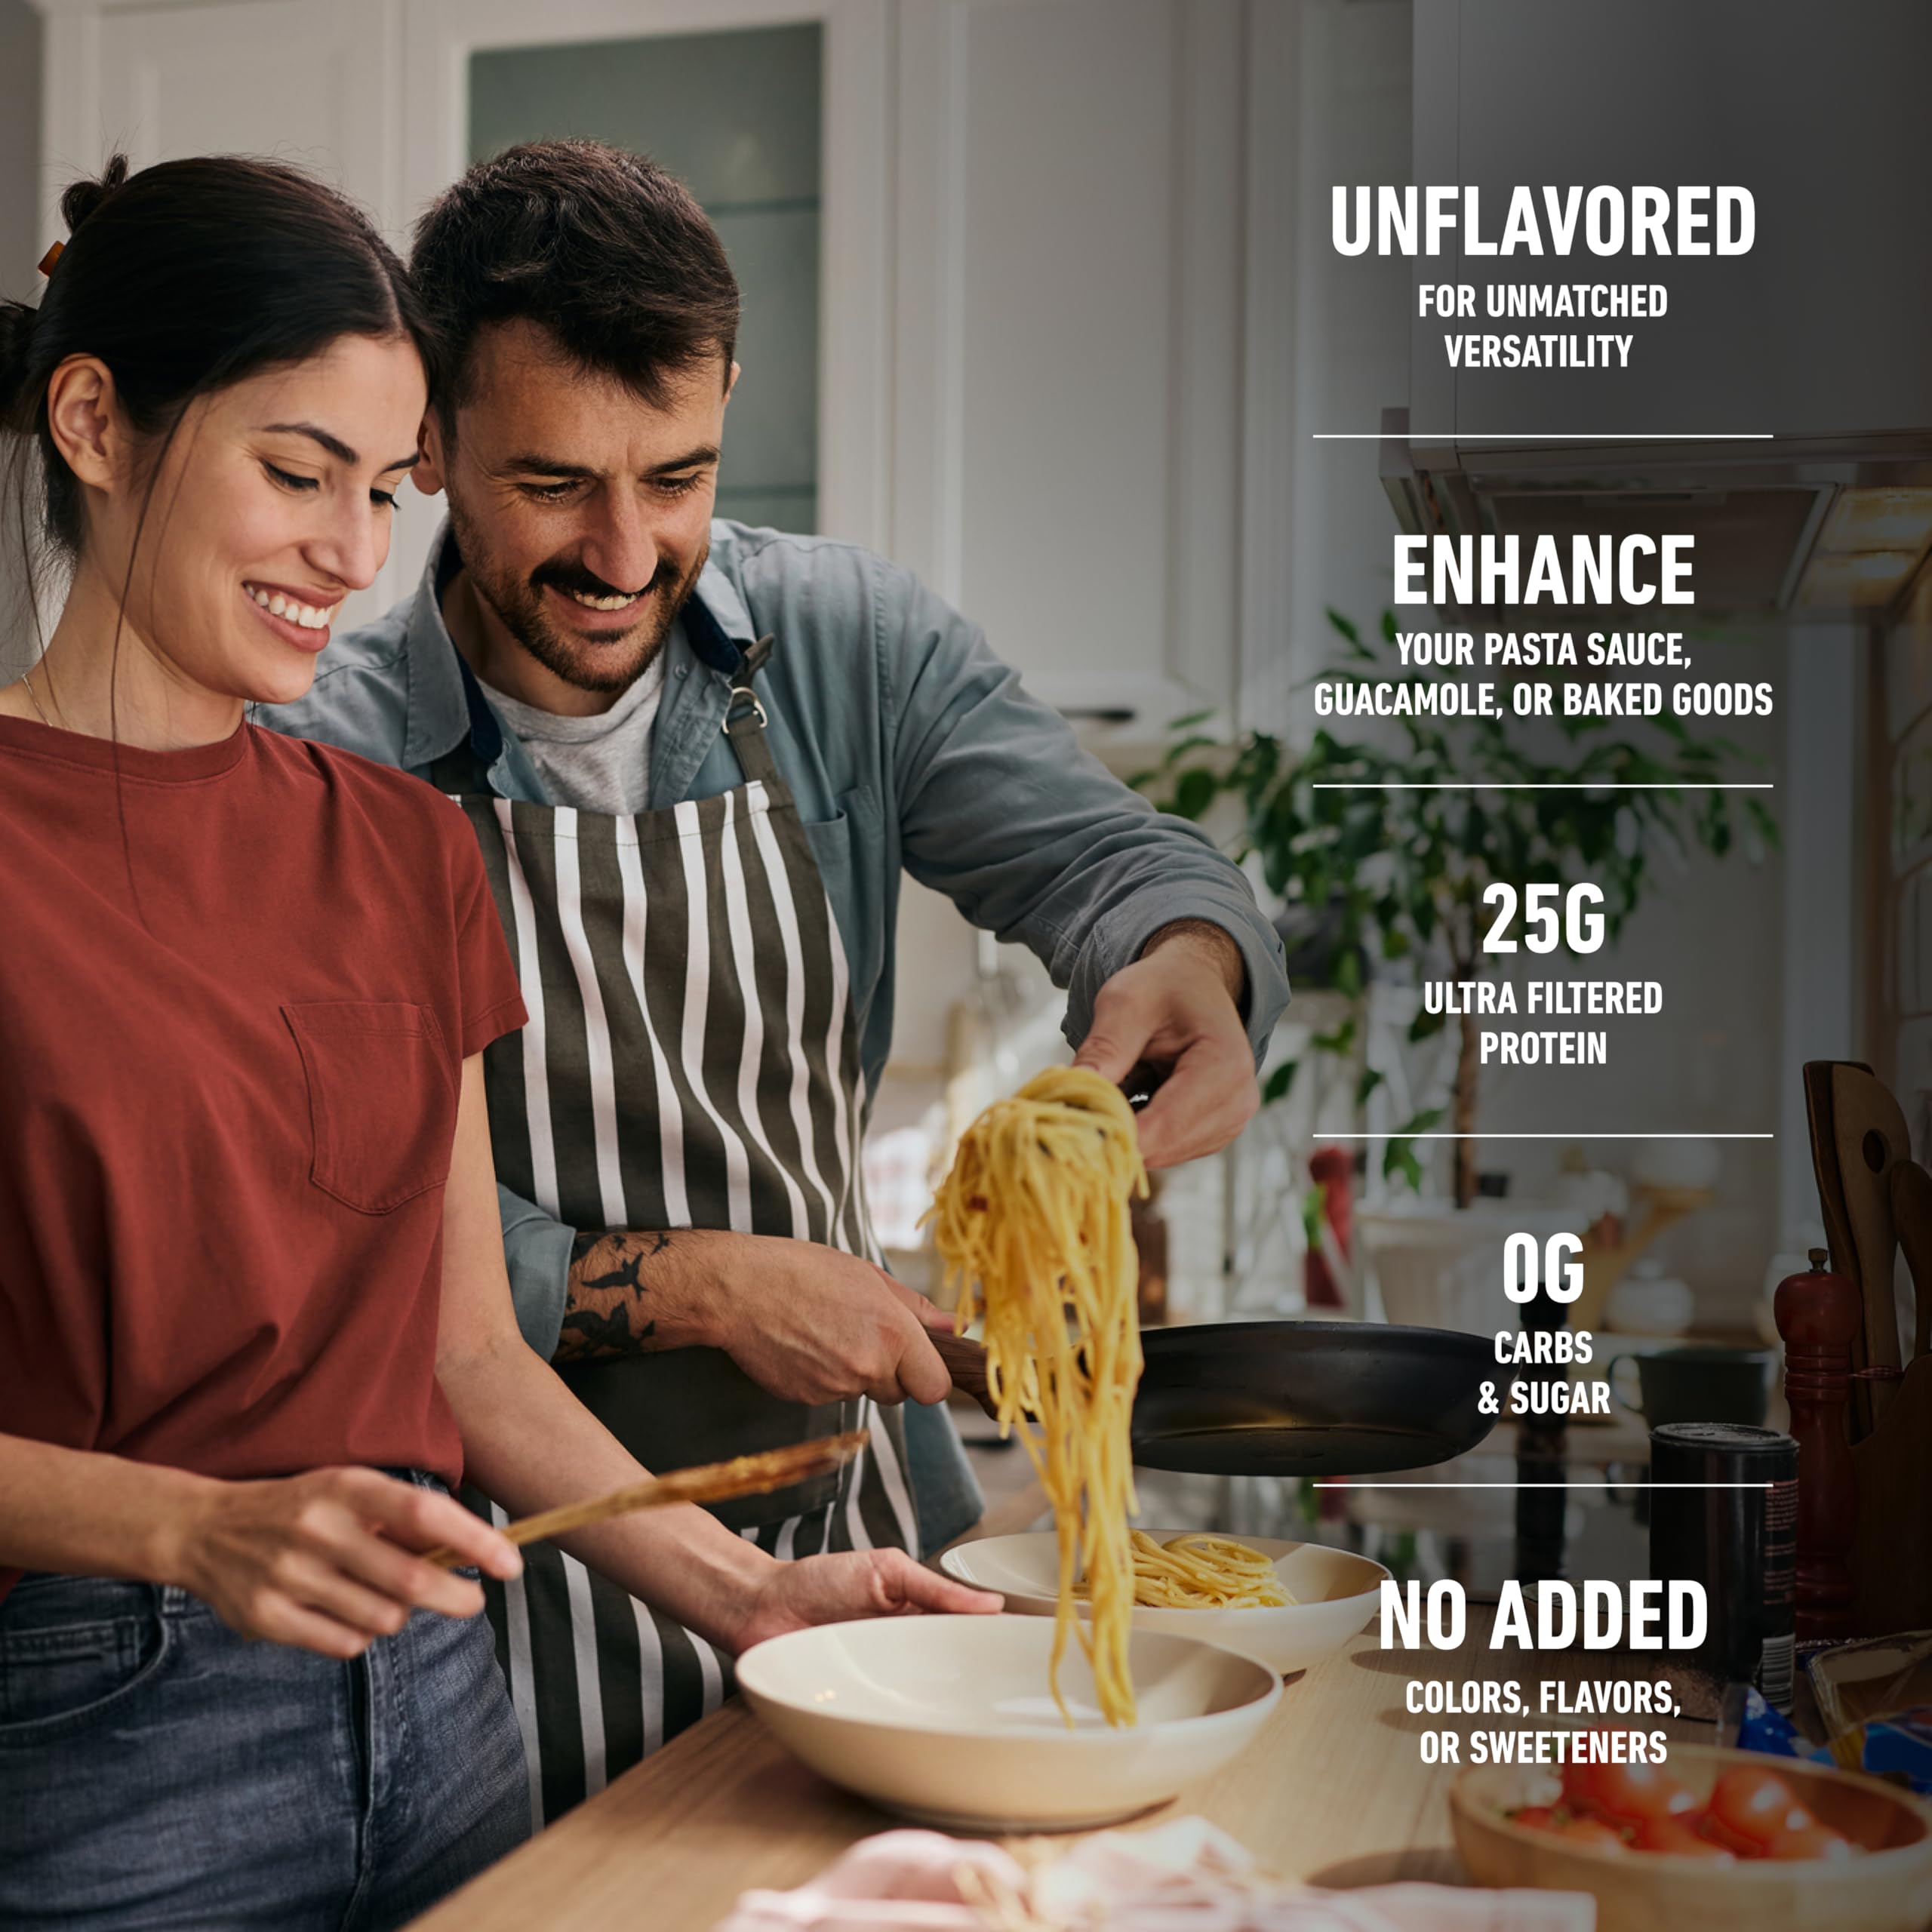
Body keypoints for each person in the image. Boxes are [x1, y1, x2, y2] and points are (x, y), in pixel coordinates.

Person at [0, 154, 995, 1932]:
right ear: (95, 420)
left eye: (386, 492)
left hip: (453, 1710)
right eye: (298, 475)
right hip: (95, 1741)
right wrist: (181, 1527)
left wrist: (739, 1593)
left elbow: (465, 1351)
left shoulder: (392, 842)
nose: (354, 556)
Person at [267, 138, 1291, 1823]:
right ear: (428, 439)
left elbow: (1120, 867)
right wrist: (698, 1282)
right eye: (551, 484)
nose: (622, 551)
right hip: (500, 1590)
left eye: (675, 475)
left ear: (728, 394)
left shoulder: (842, 645)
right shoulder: (329, 746)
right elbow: (343, 1249)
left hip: (854, 1535)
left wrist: (1188, 962)